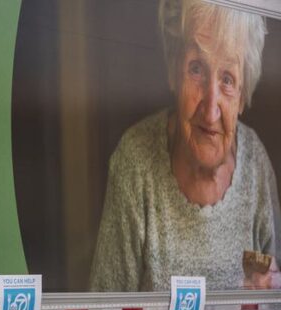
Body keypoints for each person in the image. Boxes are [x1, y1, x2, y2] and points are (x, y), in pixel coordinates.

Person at [89, 0, 281, 292]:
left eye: (228, 79)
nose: (210, 111)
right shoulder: (135, 162)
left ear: (242, 96)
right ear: (172, 70)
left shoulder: (256, 164)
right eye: (196, 69)